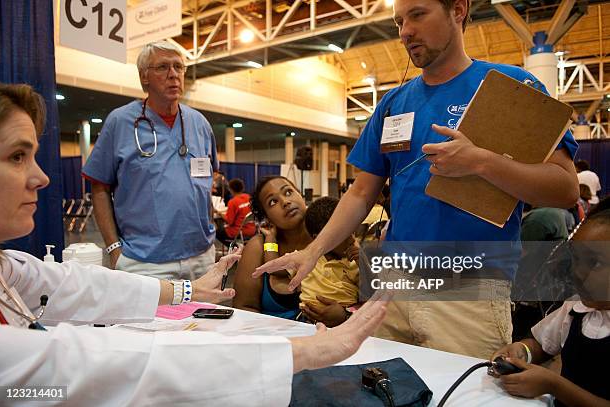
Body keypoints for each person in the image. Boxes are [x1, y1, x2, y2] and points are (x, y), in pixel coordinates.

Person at [0, 82, 389, 406]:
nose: (41, 177)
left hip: (424, 270)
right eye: (17, 156)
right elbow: (97, 365)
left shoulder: (8, 267)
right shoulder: (264, 245)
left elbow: (75, 286)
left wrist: (188, 290)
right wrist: (305, 351)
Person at [255, 0, 579, 359]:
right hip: (393, 286)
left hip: (468, 288)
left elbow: (565, 188)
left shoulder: (513, 86)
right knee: (388, 388)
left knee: (460, 395)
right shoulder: (393, 104)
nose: (405, 31)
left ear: (458, 10)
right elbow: (362, 193)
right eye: (398, 21)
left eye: (418, 15)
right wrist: (313, 251)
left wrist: (482, 162)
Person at [82, 41, 218, 280]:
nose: (173, 75)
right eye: (163, 67)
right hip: (144, 262)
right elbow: (99, 188)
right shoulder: (120, 122)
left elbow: (209, 179)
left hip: (202, 257)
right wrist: (114, 249)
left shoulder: (200, 124)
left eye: (178, 67)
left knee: (204, 318)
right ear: (144, 77)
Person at [491, 197, 610, 407]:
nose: (578, 272)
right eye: (576, 259)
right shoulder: (574, 308)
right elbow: (541, 344)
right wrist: (521, 351)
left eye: (595, 262)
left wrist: (554, 386)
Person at [232, 176, 311, 319]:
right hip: (275, 338)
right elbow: (244, 308)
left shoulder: (328, 236)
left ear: (300, 194)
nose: (285, 202)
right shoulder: (258, 247)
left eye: (288, 192)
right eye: (273, 202)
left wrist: (343, 314)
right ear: (266, 217)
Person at [299, 197, 361, 328]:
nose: (352, 239)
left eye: (352, 231)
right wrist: (270, 241)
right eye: (343, 235)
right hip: (307, 322)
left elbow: (373, 291)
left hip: (348, 320)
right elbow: (277, 268)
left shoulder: (352, 263)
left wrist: (364, 264)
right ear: (320, 239)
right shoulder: (306, 258)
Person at [215, 178, 256, 246]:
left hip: (239, 231)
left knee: (217, 233)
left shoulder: (233, 202)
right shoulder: (248, 197)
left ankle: (235, 248)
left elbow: (230, 221)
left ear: (231, 189)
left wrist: (219, 213)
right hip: (252, 229)